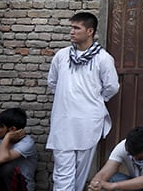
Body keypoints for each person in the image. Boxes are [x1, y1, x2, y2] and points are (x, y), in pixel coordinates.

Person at [46, 12, 120, 191]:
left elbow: (112, 87)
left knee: (81, 172)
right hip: (63, 121)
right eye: (71, 27)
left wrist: (91, 101)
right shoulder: (62, 56)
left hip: (88, 122)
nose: (71, 32)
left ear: (90, 31)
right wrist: (68, 98)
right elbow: (52, 82)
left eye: (76, 28)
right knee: (62, 173)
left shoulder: (103, 58)